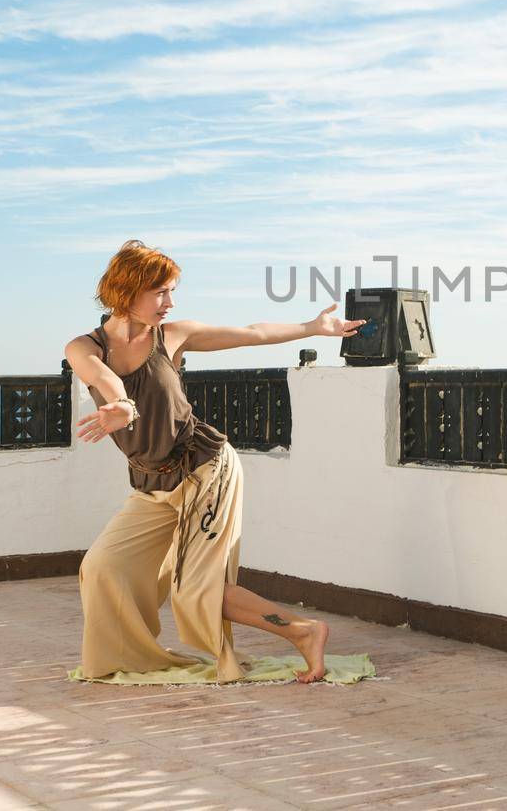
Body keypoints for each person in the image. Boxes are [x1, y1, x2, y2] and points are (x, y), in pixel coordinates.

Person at [64, 239, 364, 685]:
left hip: (206, 468)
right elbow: (104, 378)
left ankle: (304, 632)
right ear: (126, 291)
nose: (170, 302)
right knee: (104, 567)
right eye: (160, 292)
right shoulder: (84, 347)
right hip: (152, 483)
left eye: (171, 291)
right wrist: (121, 405)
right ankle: (132, 656)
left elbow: (252, 333)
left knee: (193, 590)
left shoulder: (173, 336)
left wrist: (311, 327)